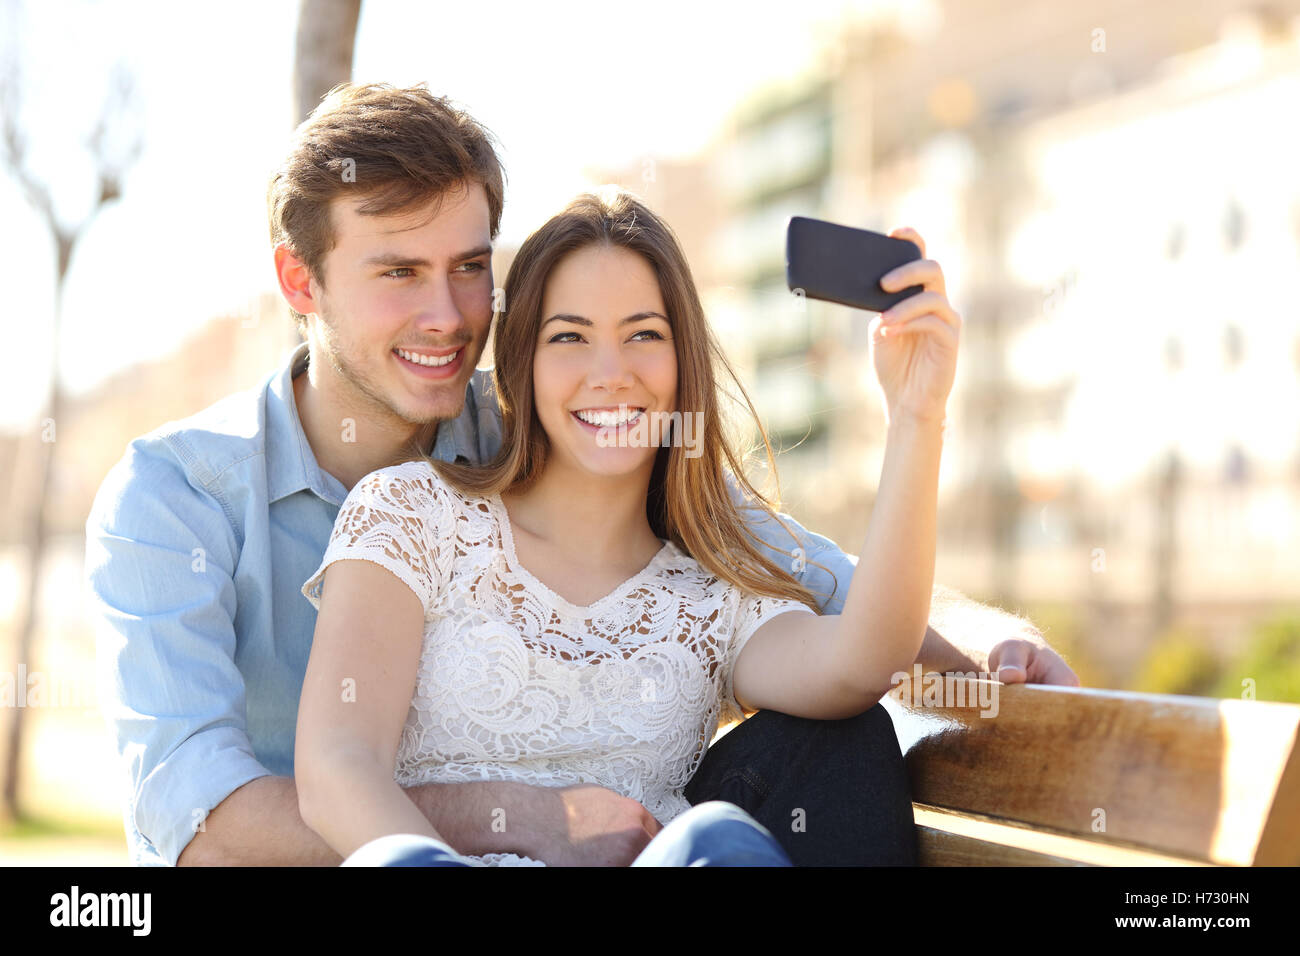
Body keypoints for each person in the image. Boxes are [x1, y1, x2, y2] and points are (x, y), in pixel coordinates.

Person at [84, 82, 1079, 868]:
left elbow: (812, 575)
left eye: (470, 266)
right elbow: (209, 826)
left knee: (826, 750)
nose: (447, 314)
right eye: (398, 272)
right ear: (300, 281)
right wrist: (520, 824)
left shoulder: (552, 436)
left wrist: (997, 644)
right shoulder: (172, 499)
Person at [295, 187, 960, 866]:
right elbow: (335, 767)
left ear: (682, 364)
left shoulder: (711, 591)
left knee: (718, 840)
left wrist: (916, 415)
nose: (610, 374)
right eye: (570, 338)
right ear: (522, 362)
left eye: (644, 334)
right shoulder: (411, 514)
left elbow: (865, 661)